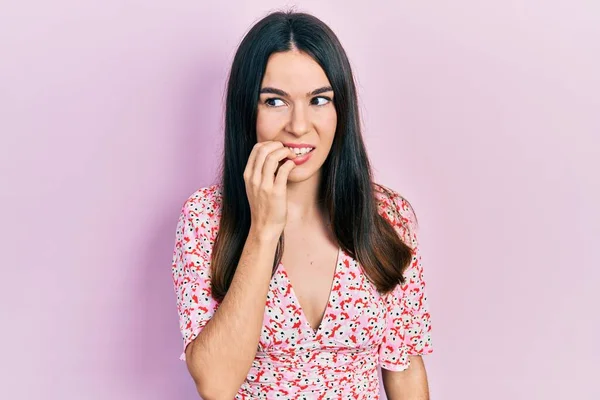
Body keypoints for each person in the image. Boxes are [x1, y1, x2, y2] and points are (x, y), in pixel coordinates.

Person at [171, 10, 433, 399]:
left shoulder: (387, 216)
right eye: (275, 101)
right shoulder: (206, 218)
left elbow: (405, 367)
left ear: (340, 108)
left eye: (319, 100)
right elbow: (215, 383)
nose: (298, 125)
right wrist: (263, 230)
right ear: (248, 111)